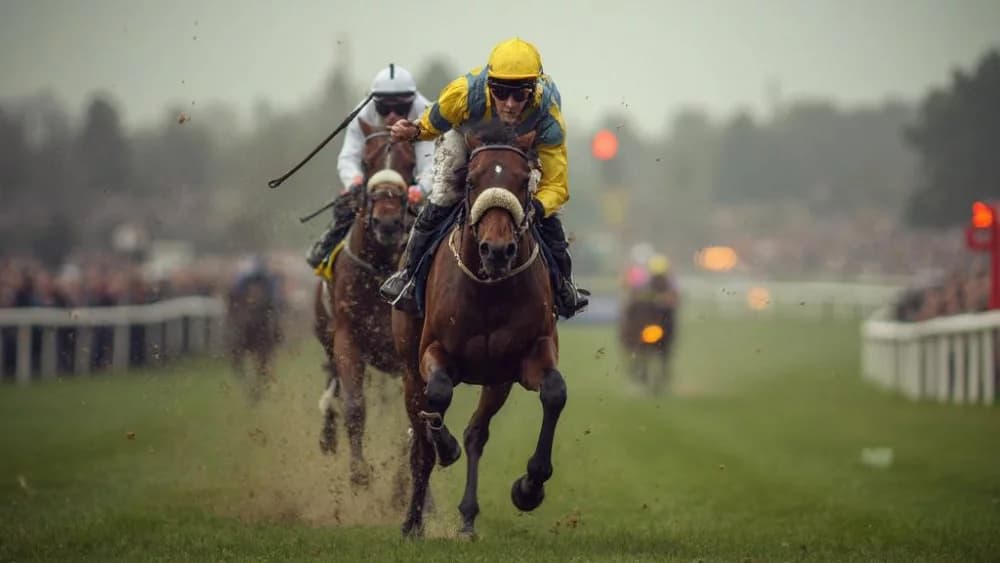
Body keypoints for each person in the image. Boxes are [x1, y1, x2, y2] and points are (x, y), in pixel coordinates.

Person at [379, 37, 589, 318]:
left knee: (545, 211)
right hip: (467, 137)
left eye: (520, 94)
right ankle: (409, 275)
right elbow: (434, 122)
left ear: (535, 89)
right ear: (489, 85)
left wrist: (537, 208)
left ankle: (564, 285)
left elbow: (556, 184)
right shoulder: (464, 92)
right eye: (500, 92)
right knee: (443, 196)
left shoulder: (548, 115)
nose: (510, 104)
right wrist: (415, 131)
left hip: (522, 146)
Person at [305, 64, 435, 268]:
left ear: (412, 101)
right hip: (372, 183)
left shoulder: (427, 113)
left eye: (401, 109)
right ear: (375, 103)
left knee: (436, 214)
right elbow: (348, 157)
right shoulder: (361, 114)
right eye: (384, 108)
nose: (392, 116)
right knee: (345, 205)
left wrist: (421, 189)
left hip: (412, 180)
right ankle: (328, 244)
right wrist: (353, 180)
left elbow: (431, 163)